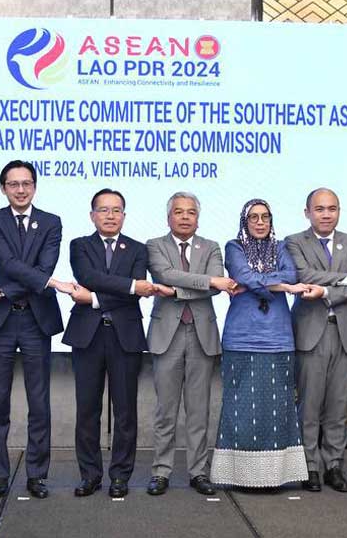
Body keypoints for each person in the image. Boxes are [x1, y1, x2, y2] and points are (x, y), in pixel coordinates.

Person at [0, 160, 70, 500]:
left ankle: (37, 475)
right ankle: (0, 475)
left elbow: (45, 268)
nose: (20, 189)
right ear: (3, 188)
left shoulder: (52, 222)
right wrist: (46, 282)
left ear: (35, 186)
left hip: (35, 320)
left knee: (39, 402)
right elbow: (9, 264)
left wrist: (2, 292)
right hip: (0, 322)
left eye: (26, 183)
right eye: (13, 184)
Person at [209, 199, 310, 489]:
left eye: (265, 217)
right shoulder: (234, 246)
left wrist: (261, 283)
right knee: (239, 407)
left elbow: (290, 275)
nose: (260, 222)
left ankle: (276, 476)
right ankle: (239, 476)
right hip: (241, 338)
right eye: (253, 217)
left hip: (278, 338)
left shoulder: (281, 247)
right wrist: (282, 287)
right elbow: (243, 275)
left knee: (279, 407)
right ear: (245, 221)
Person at [145, 192, 234, 497]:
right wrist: (207, 282)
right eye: (179, 212)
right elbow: (165, 274)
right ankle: (161, 471)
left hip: (201, 334)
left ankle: (198, 472)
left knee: (199, 410)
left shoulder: (212, 246)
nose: (185, 217)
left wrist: (176, 291)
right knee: (165, 411)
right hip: (166, 336)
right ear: (168, 216)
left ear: (198, 217)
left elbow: (216, 285)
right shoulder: (155, 245)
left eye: (191, 212)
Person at [65, 189, 152, 498]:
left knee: (125, 411)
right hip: (87, 336)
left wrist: (93, 299)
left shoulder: (138, 249)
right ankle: (90, 475)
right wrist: (129, 286)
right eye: (104, 210)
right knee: (87, 410)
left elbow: (135, 293)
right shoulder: (79, 245)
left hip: (124, 336)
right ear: (93, 216)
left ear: (124, 216)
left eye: (116, 210)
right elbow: (88, 276)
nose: (110, 215)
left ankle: (120, 476)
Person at [285, 188, 347, 493]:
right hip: (310, 332)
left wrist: (329, 290)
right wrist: (346, 278)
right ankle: (308, 466)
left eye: (332, 209)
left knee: (338, 404)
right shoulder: (294, 242)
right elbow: (302, 274)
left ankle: (334, 465)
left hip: (344, 331)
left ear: (339, 211)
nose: (326, 214)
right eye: (319, 209)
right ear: (307, 212)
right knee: (308, 404)